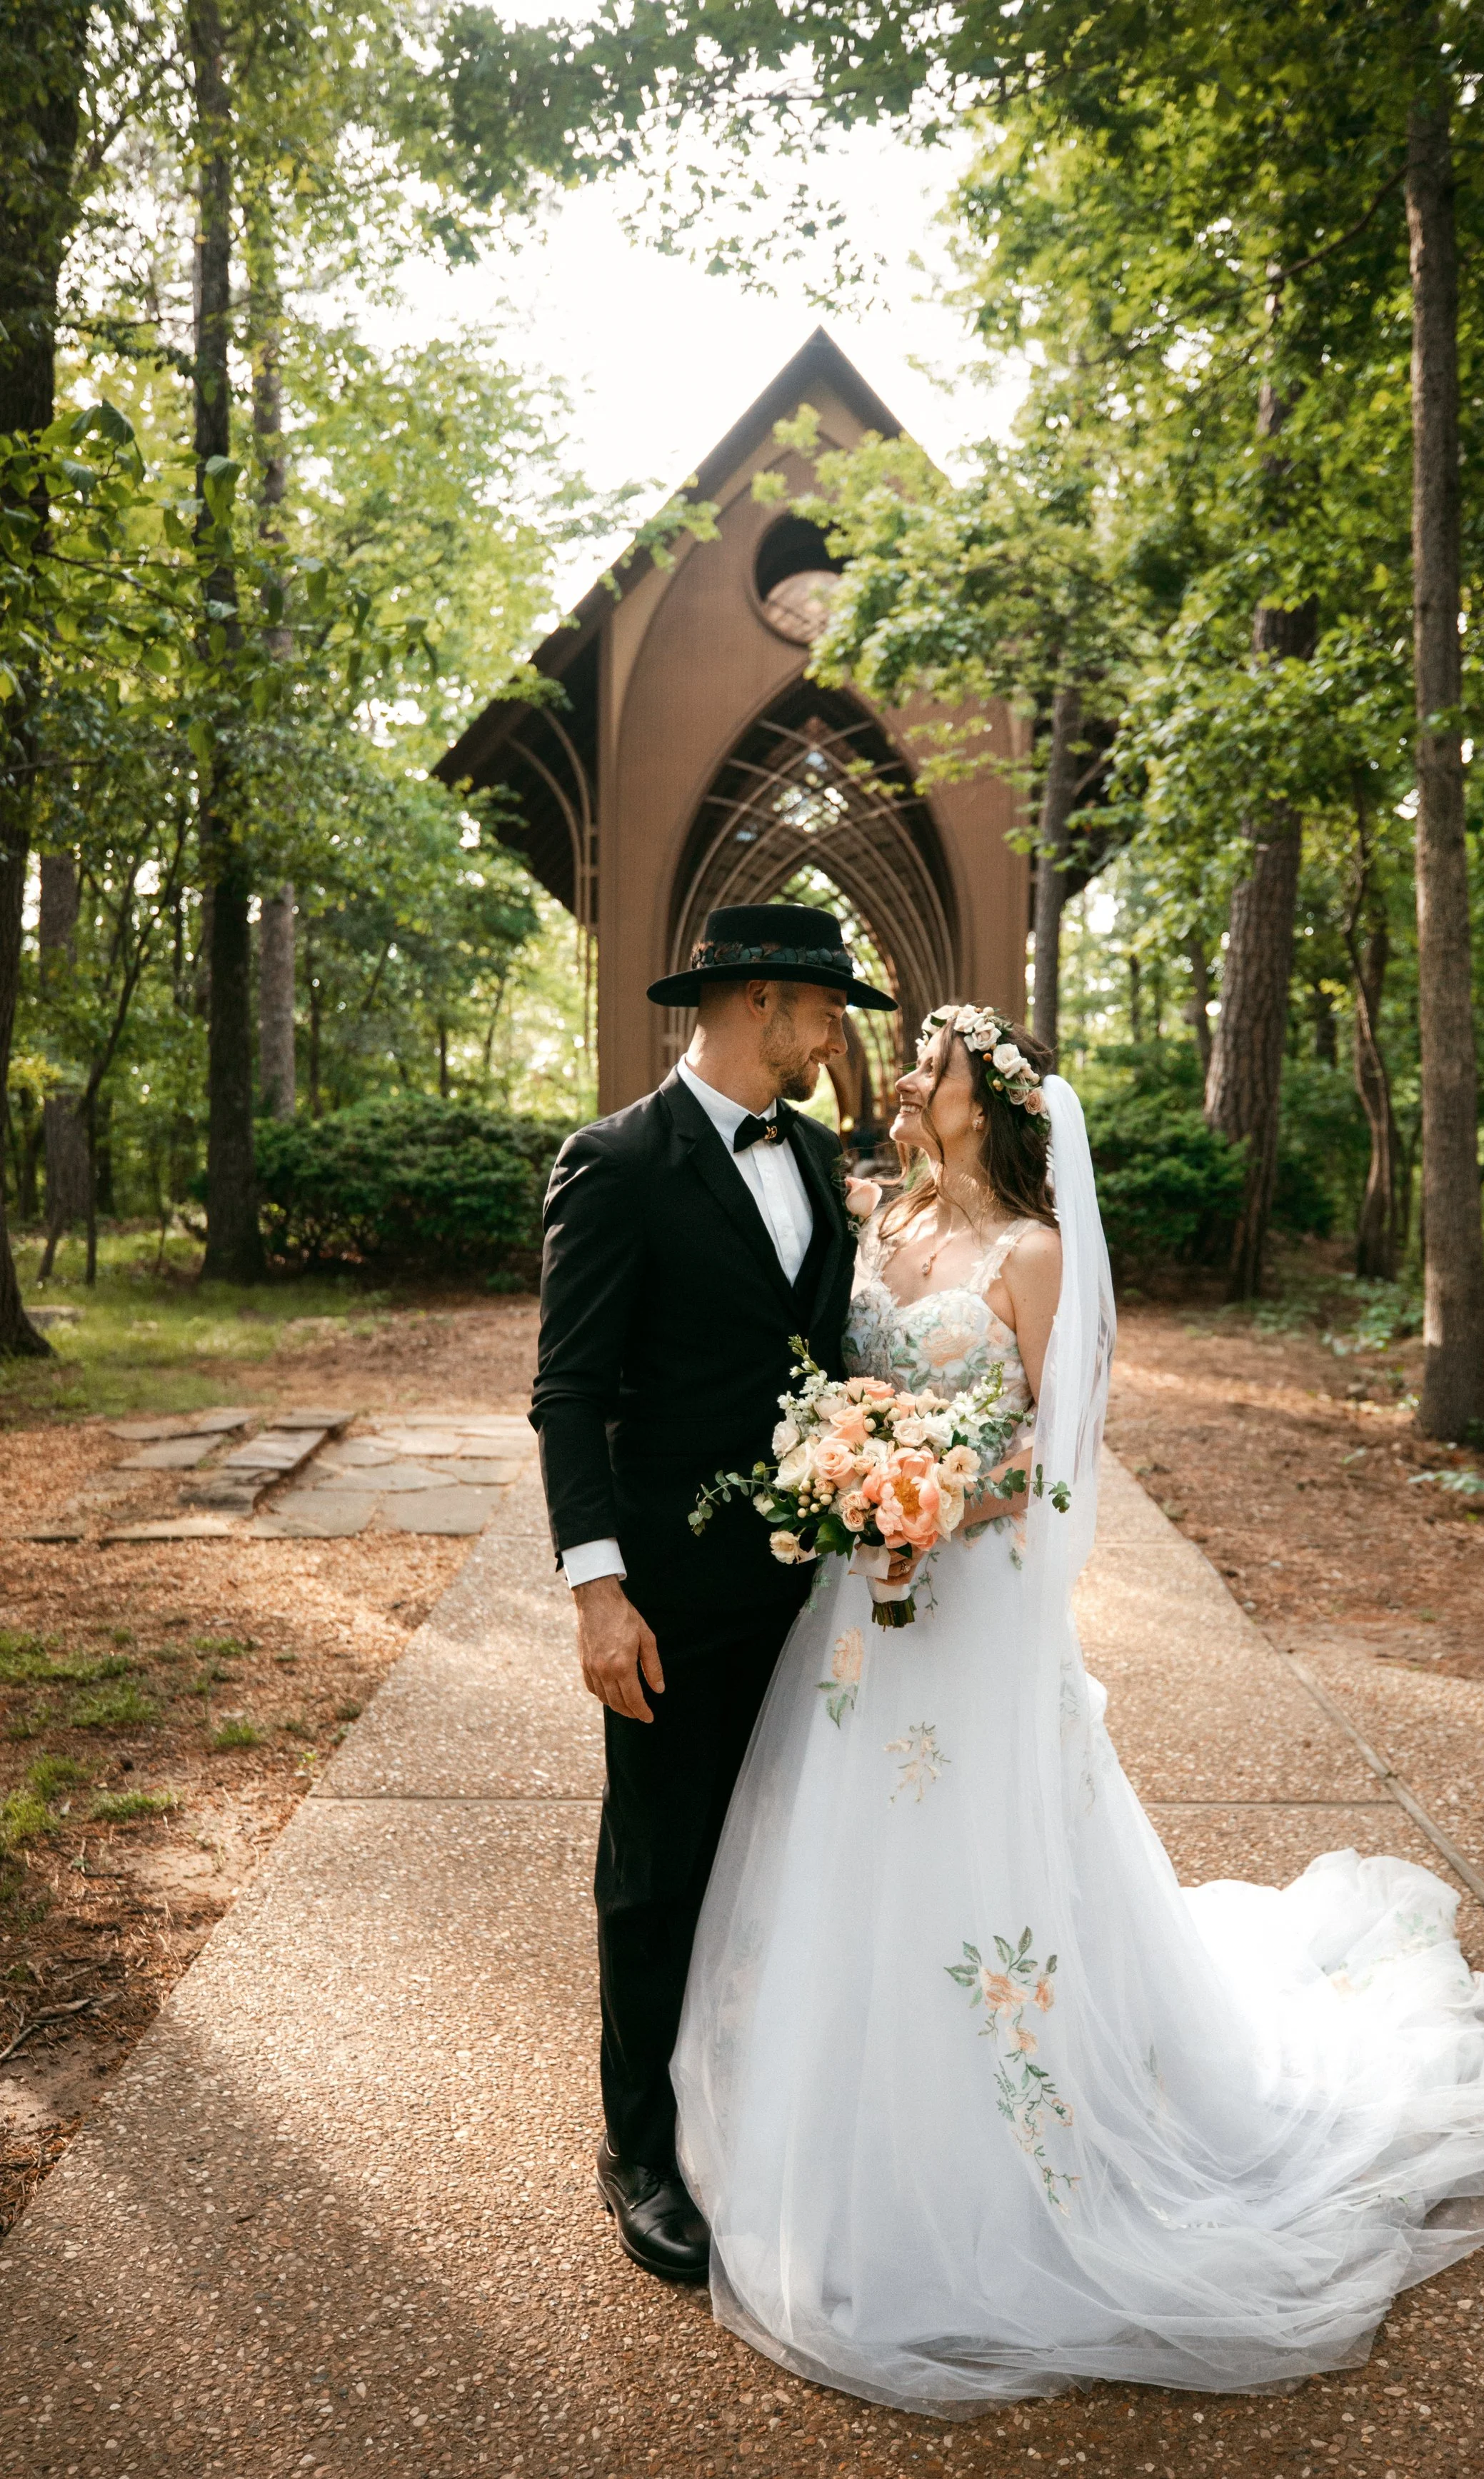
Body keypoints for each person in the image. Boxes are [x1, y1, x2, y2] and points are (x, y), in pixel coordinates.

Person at [671, 1003, 1484, 2415]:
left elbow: (1054, 1444)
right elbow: (843, 1385)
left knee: (972, 1869)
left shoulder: (1031, 1255)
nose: (909, 1077)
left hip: (968, 1603)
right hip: (860, 1611)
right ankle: (845, 2135)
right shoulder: (878, 1223)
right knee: (844, 1854)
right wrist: (851, 1473)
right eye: (916, 1061)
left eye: (935, 1065)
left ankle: (1001, 2171)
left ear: (994, 1105)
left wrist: (944, 1496)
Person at [531, 901, 895, 2280]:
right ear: (759, 1000)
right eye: (824, 1008)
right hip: (671, 1595)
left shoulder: (811, 1148)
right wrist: (596, 1590)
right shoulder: (615, 1162)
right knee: (659, 1868)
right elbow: (568, 1392)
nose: (836, 1031)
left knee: (779, 1865)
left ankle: (744, 2100)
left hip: (813, 1597)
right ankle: (637, 2143)